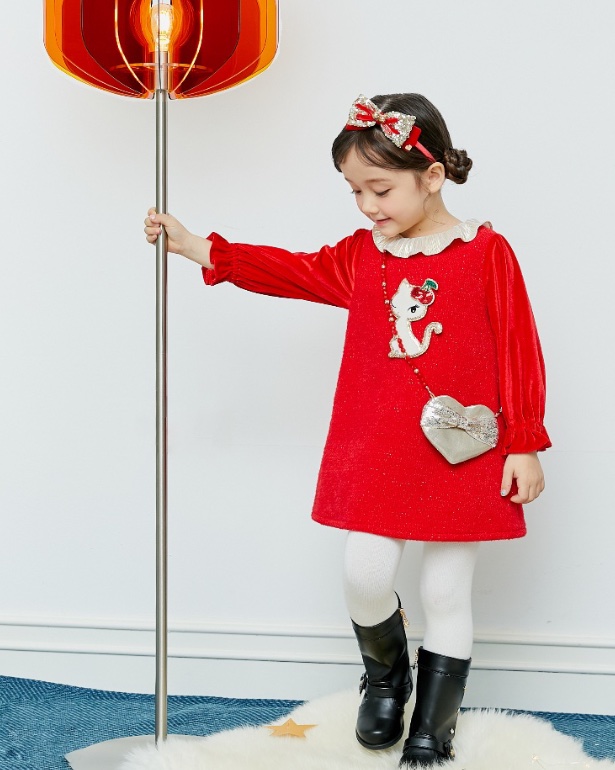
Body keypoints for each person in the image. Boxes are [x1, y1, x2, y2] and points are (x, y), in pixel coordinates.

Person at [144, 93, 550, 768]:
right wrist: (199, 248)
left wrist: (526, 441)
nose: (366, 206)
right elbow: (294, 271)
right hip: (377, 448)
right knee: (364, 573)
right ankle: (386, 680)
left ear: (431, 176)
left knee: (445, 590)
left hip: (465, 449)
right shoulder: (364, 256)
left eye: (379, 189)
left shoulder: (486, 252)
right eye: (354, 191)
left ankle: (432, 729)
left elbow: (519, 346)